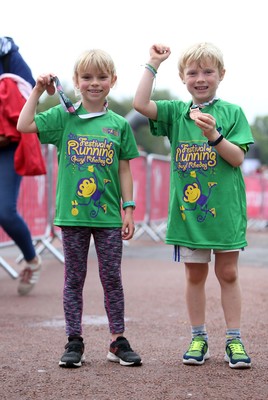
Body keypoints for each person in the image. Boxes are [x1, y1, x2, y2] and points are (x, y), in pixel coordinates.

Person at [17, 48, 142, 368]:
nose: (94, 83)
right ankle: (74, 340)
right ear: (76, 81)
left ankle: (118, 340)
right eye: (87, 77)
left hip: (109, 218)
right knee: (74, 278)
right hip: (72, 217)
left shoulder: (118, 125)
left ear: (112, 81)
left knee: (112, 278)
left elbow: (125, 168)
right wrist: (36, 90)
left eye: (102, 77)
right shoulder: (63, 118)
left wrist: (128, 209)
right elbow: (24, 124)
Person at [133, 42, 254, 369]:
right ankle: (198, 337)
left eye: (208, 71)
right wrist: (153, 63)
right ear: (183, 77)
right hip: (189, 217)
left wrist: (215, 135)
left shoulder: (232, 112)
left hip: (225, 213)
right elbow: (140, 104)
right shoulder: (175, 112)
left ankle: (234, 340)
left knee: (228, 273)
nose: (200, 78)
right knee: (195, 275)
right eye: (193, 72)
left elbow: (238, 157)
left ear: (221, 75)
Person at [0, 36, 41, 295]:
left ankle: (32, 259)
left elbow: (30, 96)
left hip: (6, 145)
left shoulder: (7, 53)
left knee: (4, 211)